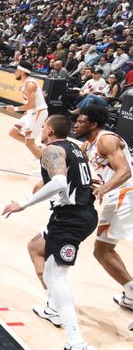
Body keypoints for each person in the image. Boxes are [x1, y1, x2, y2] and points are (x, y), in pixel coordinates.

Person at [2, 115, 99, 350]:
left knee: (56, 276)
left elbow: (58, 182)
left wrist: (23, 203)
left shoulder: (52, 150)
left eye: (43, 126)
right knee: (36, 249)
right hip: (74, 216)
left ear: (48, 130)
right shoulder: (75, 148)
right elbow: (75, 178)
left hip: (71, 219)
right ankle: (55, 308)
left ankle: (78, 345)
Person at [73, 106, 133, 311]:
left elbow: (124, 171)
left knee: (102, 250)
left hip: (125, 193)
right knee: (104, 250)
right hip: (121, 194)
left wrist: (104, 188)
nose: (76, 124)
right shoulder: (87, 146)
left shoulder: (106, 140)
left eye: (81, 121)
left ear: (94, 125)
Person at [6, 60, 48, 158]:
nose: (15, 72)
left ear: (22, 71)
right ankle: (39, 149)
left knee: (29, 142)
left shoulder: (29, 84)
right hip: (31, 113)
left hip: (38, 113)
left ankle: (45, 167)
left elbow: (32, 104)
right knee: (13, 133)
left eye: (17, 70)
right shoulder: (27, 83)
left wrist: (15, 109)